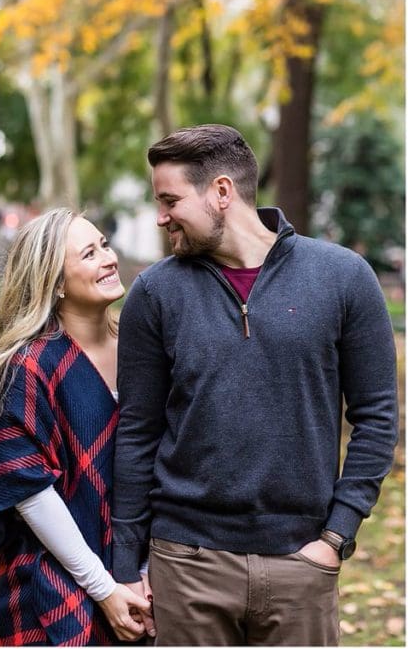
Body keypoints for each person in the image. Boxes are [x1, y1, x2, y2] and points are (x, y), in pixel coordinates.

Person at [112, 124, 399, 645]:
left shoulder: (343, 277)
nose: (161, 216)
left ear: (221, 192)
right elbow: (136, 431)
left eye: (170, 199)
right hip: (186, 563)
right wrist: (126, 565)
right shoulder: (155, 293)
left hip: (302, 563)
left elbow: (377, 418)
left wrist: (335, 537)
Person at [0, 208, 155, 645]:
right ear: (55, 282)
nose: (108, 259)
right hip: (54, 575)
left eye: (105, 245)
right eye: (89, 254)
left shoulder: (141, 349)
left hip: (140, 565)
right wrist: (104, 587)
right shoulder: (30, 366)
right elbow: (29, 492)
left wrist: (143, 571)